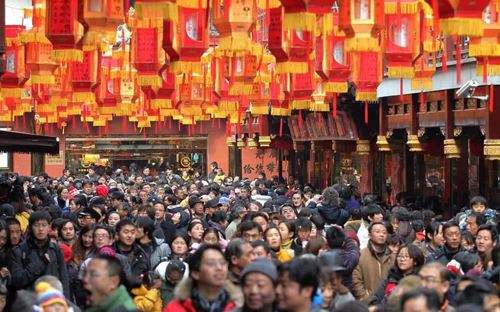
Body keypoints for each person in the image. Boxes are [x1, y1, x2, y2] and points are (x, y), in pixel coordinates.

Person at [164, 244, 242, 311]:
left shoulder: (238, 305)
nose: (219, 268)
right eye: (211, 263)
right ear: (195, 273)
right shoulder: (175, 308)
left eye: (222, 263)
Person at [10, 210, 70, 297]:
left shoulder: (55, 248)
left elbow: (63, 277)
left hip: (52, 299)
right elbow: (17, 281)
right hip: (30, 301)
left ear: (49, 227)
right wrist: (40, 263)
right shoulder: (19, 251)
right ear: (30, 227)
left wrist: (65, 299)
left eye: (44, 225)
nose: (40, 229)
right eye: (36, 225)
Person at [352, 222, 393, 301]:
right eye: (377, 232)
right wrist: (365, 297)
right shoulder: (361, 255)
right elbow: (356, 279)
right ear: (369, 235)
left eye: (384, 232)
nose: (381, 234)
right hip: (368, 301)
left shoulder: (392, 256)